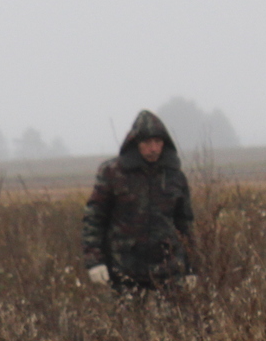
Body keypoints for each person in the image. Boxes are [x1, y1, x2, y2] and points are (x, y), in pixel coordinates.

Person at [83, 109, 195, 291]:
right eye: (147, 142)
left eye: (158, 142)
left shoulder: (175, 176)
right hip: (123, 273)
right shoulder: (112, 172)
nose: (153, 148)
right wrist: (95, 262)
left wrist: (191, 268)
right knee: (124, 320)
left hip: (168, 273)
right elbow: (94, 219)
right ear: (136, 143)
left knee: (172, 320)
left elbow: (185, 224)